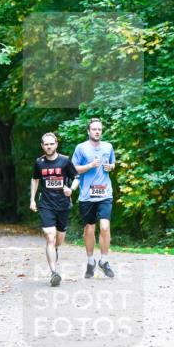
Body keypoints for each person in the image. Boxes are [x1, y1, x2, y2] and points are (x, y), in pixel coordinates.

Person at [30, 132, 79, 287]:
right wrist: (32, 199)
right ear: (42, 146)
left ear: (56, 144)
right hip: (46, 204)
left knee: (59, 240)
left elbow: (77, 178)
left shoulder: (65, 161)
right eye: (46, 144)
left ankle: (55, 249)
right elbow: (35, 179)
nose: (49, 146)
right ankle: (54, 273)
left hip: (63, 205)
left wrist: (71, 189)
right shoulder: (39, 163)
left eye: (51, 144)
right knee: (50, 236)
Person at [72, 117, 117, 279]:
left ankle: (104, 261)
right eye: (94, 129)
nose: (97, 131)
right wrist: (90, 165)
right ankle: (91, 261)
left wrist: (110, 167)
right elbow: (73, 169)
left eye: (99, 129)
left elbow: (113, 164)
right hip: (87, 195)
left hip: (105, 193)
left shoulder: (108, 146)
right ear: (88, 131)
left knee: (105, 227)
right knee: (89, 229)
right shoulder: (81, 148)